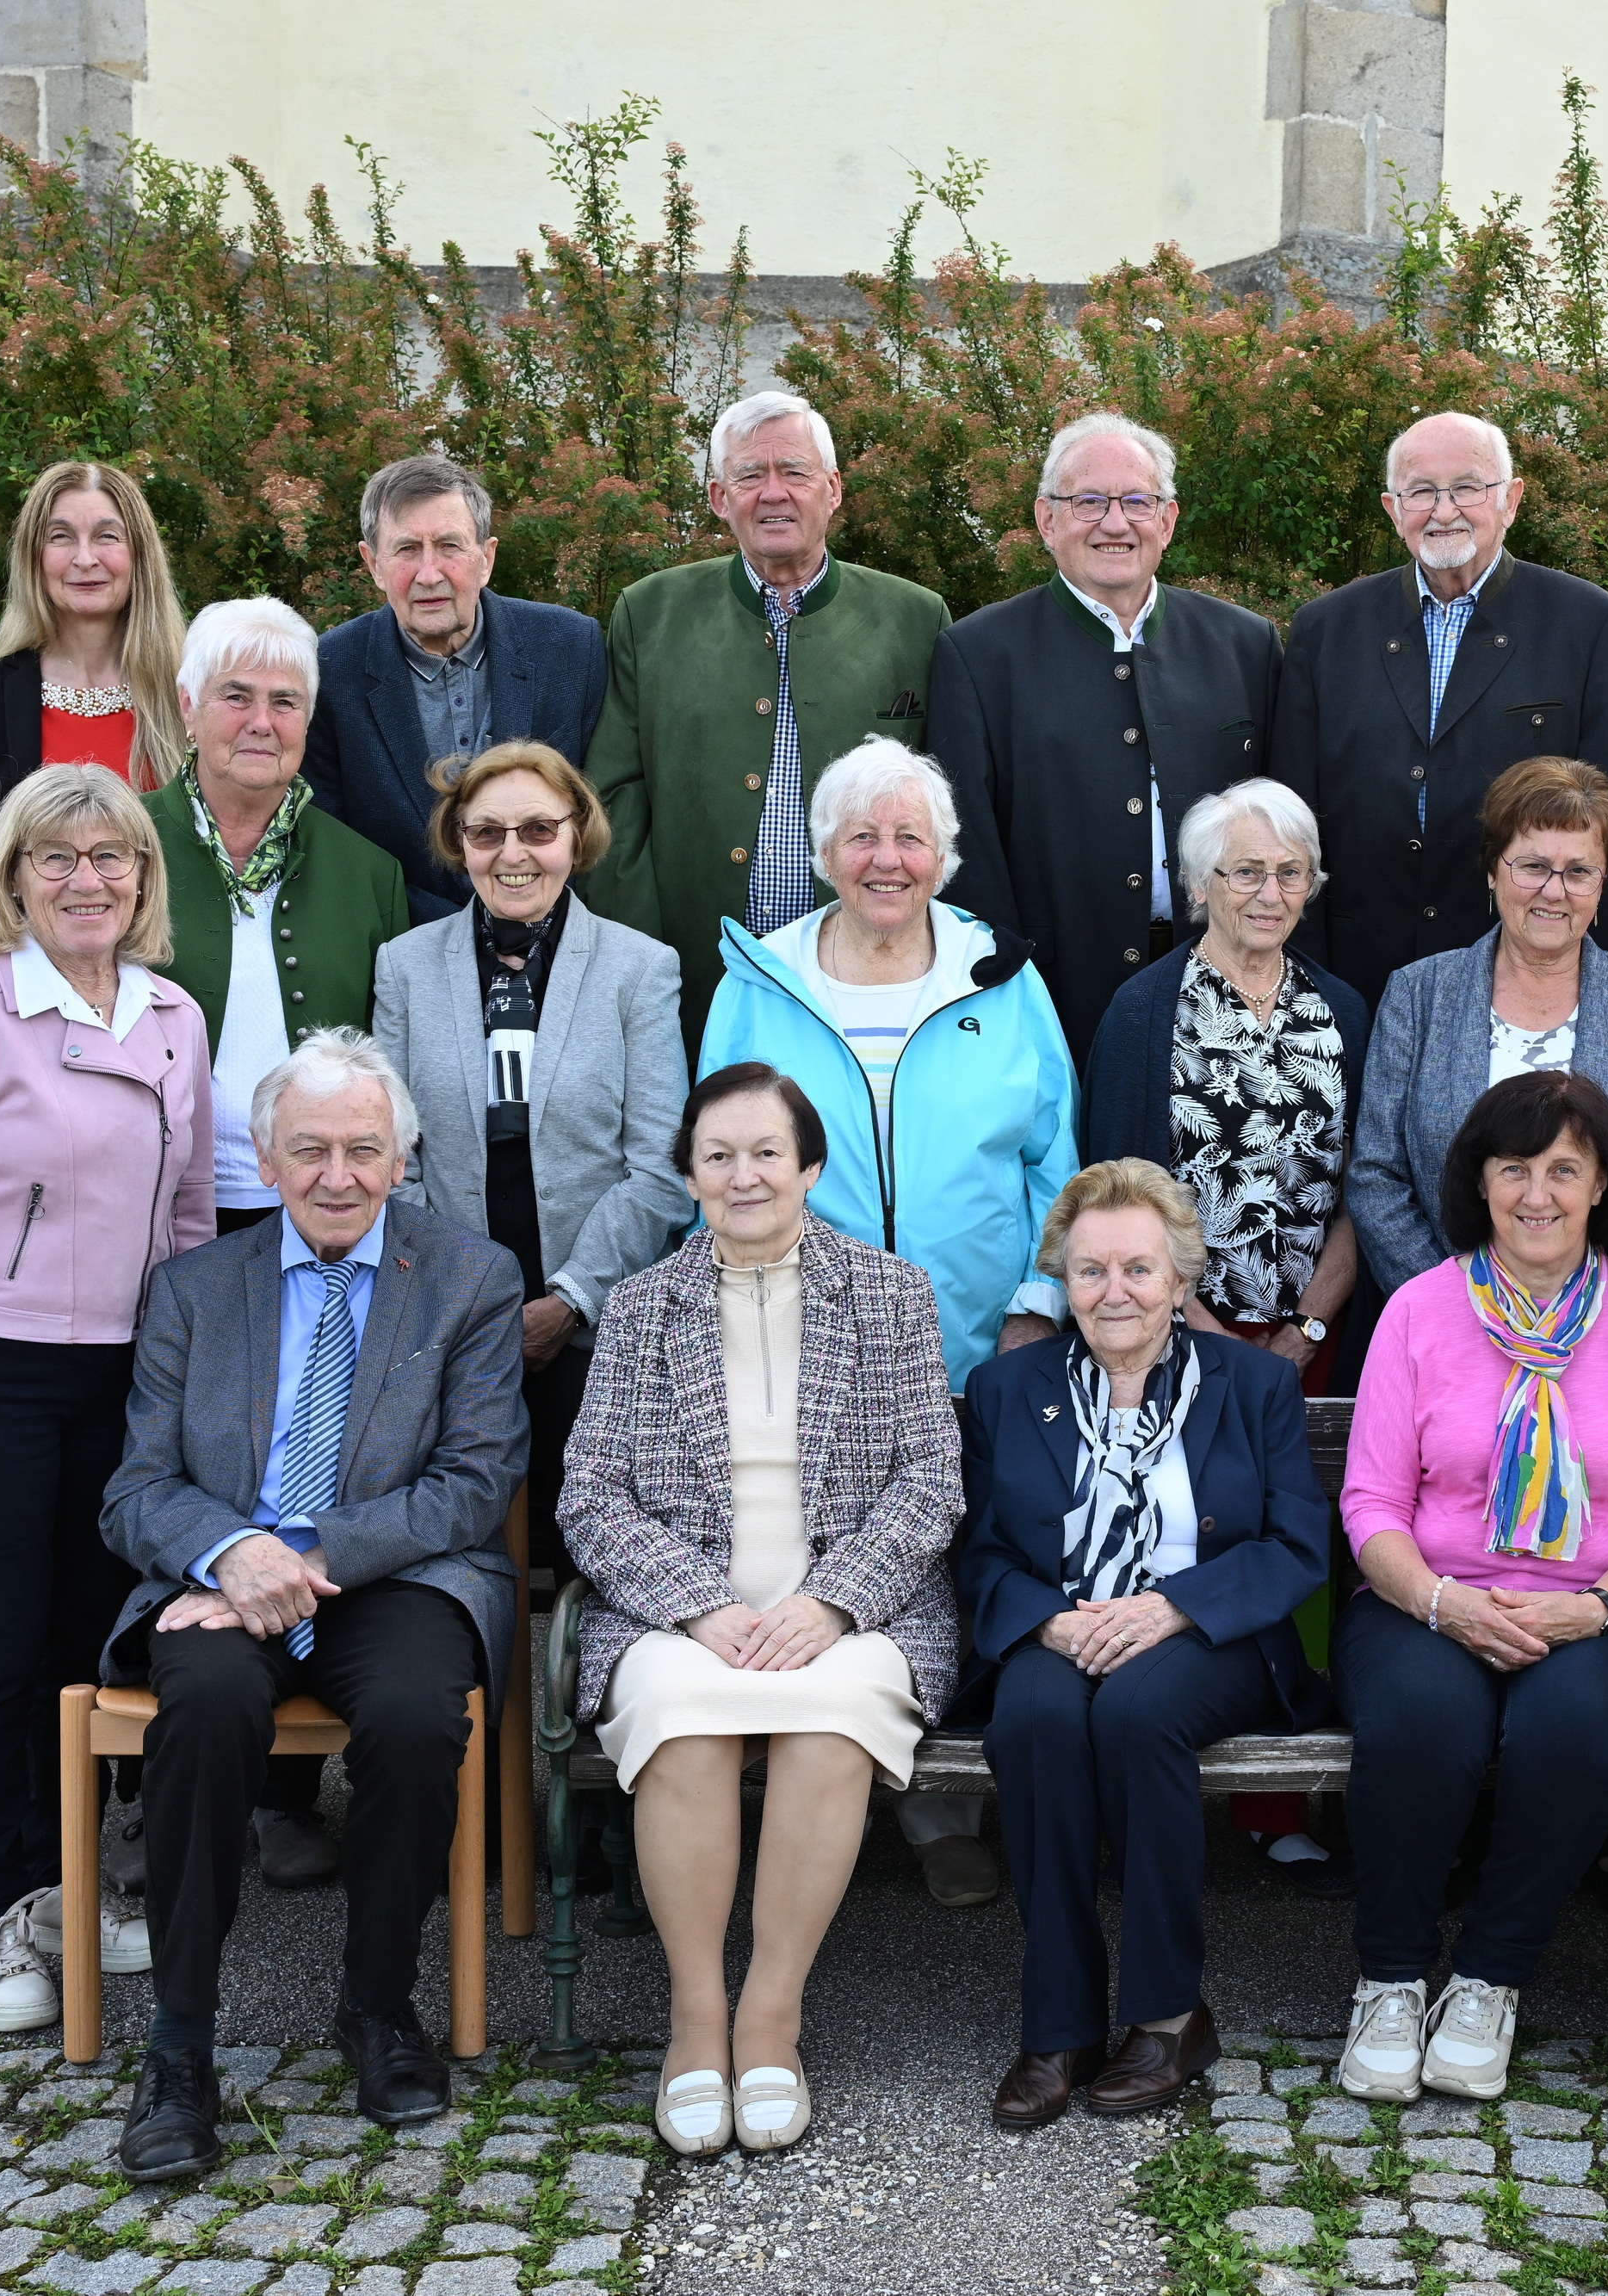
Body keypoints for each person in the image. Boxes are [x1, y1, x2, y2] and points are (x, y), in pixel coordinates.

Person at [97, 1031, 529, 2178]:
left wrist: (299, 1551)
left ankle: (379, 2002)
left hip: (394, 1573)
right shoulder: (193, 1287)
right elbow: (137, 1487)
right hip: (220, 1579)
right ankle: (180, 2045)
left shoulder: (472, 1276)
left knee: (410, 1715)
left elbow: (476, 1482)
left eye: (363, 1149)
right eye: (310, 1149)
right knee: (204, 1706)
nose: (337, 1174)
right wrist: (231, 1551)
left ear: (401, 1159)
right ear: (265, 1155)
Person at [559, 1062, 965, 2157]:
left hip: (855, 1611)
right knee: (686, 1730)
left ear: (811, 1167)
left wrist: (834, 1603)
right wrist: (697, 1606)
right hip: (678, 1616)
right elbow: (587, 1495)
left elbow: (932, 1479)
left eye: (766, 1154)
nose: (744, 1175)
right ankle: (696, 2021)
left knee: (831, 1726)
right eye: (718, 1156)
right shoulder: (643, 1308)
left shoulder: (889, 1292)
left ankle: (770, 2018)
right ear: (689, 1175)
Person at [695, 735, 1073, 1908]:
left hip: (985, 1339)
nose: (886, 858)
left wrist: (1036, 1304)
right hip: (812, 1337)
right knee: (836, 1554)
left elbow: (1058, 1157)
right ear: (823, 853)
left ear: (946, 856)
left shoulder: (1000, 979)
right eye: (861, 835)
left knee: (959, 1560)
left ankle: (945, 1805)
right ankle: (833, 1797)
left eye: (910, 836)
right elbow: (719, 1155)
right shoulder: (761, 982)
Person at [0, 764, 216, 2032]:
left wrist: (181, 1406)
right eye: (58, 857)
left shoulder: (175, 1012)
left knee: (90, 1645)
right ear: (13, 876)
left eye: (112, 857)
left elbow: (186, 1221)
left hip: (123, 1379)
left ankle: (76, 1881)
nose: (88, 880)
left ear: (143, 876)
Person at [1333, 1072, 1608, 2107]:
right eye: (1514, 1170)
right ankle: (1393, 1979)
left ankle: (1490, 1980)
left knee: (1572, 1733)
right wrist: (1444, 1605)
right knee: (1421, 1718)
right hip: (1427, 1600)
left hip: (1598, 1611)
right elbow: (1370, 1506)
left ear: (1599, 1189)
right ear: (1481, 1185)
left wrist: (1590, 1612)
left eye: (1563, 1171)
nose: (1536, 1193)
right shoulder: (1418, 1310)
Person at [962, 1161, 1333, 2128]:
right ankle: (1061, 2025)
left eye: (1137, 1269)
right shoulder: (1008, 1388)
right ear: (1062, 1282)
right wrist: (1048, 1619)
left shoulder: (1253, 1385)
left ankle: (1169, 2015)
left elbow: (1297, 1547)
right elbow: (982, 1551)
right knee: (1034, 1713)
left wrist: (1172, 1608)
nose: (1113, 1291)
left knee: (1135, 1711)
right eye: (1089, 1272)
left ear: (1179, 1279)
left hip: (1212, 1636)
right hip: (1064, 1625)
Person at [146, 597, 414, 1886]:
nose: (262, 723)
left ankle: (286, 1792)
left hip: (321, 1208)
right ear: (188, 709)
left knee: (312, 1470)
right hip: (170, 1224)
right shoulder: (126, 844)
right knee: (182, 1474)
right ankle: (168, 1788)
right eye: (237, 698)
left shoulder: (362, 866)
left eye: (286, 702)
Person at [374, 739, 690, 1556]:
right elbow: (392, 1159)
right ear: (458, 842)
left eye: (537, 829)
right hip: (441, 1304)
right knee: (461, 1543)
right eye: (487, 833)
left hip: (597, 1311)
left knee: (584, 1543)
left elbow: (659, 1164)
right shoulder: (403, 968)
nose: (513, 854)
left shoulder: (640, 969)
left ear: (576, 834)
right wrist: (460, 1299)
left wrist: (571, 1298)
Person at [582, 390, 951, 1051]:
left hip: (869, 974)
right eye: (750, 476)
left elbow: (945, 808)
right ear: (721, 498)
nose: (773, 493)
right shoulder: (650, 612)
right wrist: (647, 958)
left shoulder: (916, 620)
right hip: (693, 974)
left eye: (795, 472)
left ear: (833, 490)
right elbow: (613, 795)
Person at [931, 412, 1283, 1065]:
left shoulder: (1245, 644)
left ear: (1168, 521)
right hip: (1053, 991)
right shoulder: (979, 654)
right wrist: (1004, 984)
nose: (1114, 523)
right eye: (1088, 501)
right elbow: (966, 843)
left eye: (1137, 502)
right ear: (1047, 520)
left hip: (1224, 978)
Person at [1270, 410, 1608, 1011]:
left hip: (1521, 971)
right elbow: (1290, 821)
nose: (1444, 511)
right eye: (1421, 492)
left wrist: (1595, 984)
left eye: (1467, 487)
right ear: (1393, 509)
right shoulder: (1325, 629)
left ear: (1511, 499)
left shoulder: (1587, 623)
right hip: (1354, 974)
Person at [1351, 758, 1608, 1301]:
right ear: (1493, 872)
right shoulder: (1417, 995)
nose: (1554, 891)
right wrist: (1457, 1310)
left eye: (1579, 871)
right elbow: (1377, 1176)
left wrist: (1605, 1311)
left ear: (1604, 882)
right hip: (1448, 1326)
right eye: (1533, 866)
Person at [1082, 780, 1368, 1388]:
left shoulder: (1343, 1012)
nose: (1271, 895)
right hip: (1171, 1345)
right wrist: (1203, 1333)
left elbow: (1365, 1190)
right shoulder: (1140, 1015)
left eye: (1292, 873)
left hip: (1318, 1348)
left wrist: (1306, 1330)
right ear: (1198, 882)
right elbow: (1113, 1199)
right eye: (1247, 872)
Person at [303, 455, 611, 920]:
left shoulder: (571, 647)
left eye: (449, 546)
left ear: (486, 558)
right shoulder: (328, 671)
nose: (429, 574)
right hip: (399, 945)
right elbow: (333, 845)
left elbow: (598, 810)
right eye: (406, 550)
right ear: (373, 565)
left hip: (554, 936)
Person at [0, 461, 189, 877]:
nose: (85, 559)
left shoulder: (191, 693)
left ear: (140, 556)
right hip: (30, 942)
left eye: (107, 536)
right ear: (33, 558)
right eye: (61, 537)